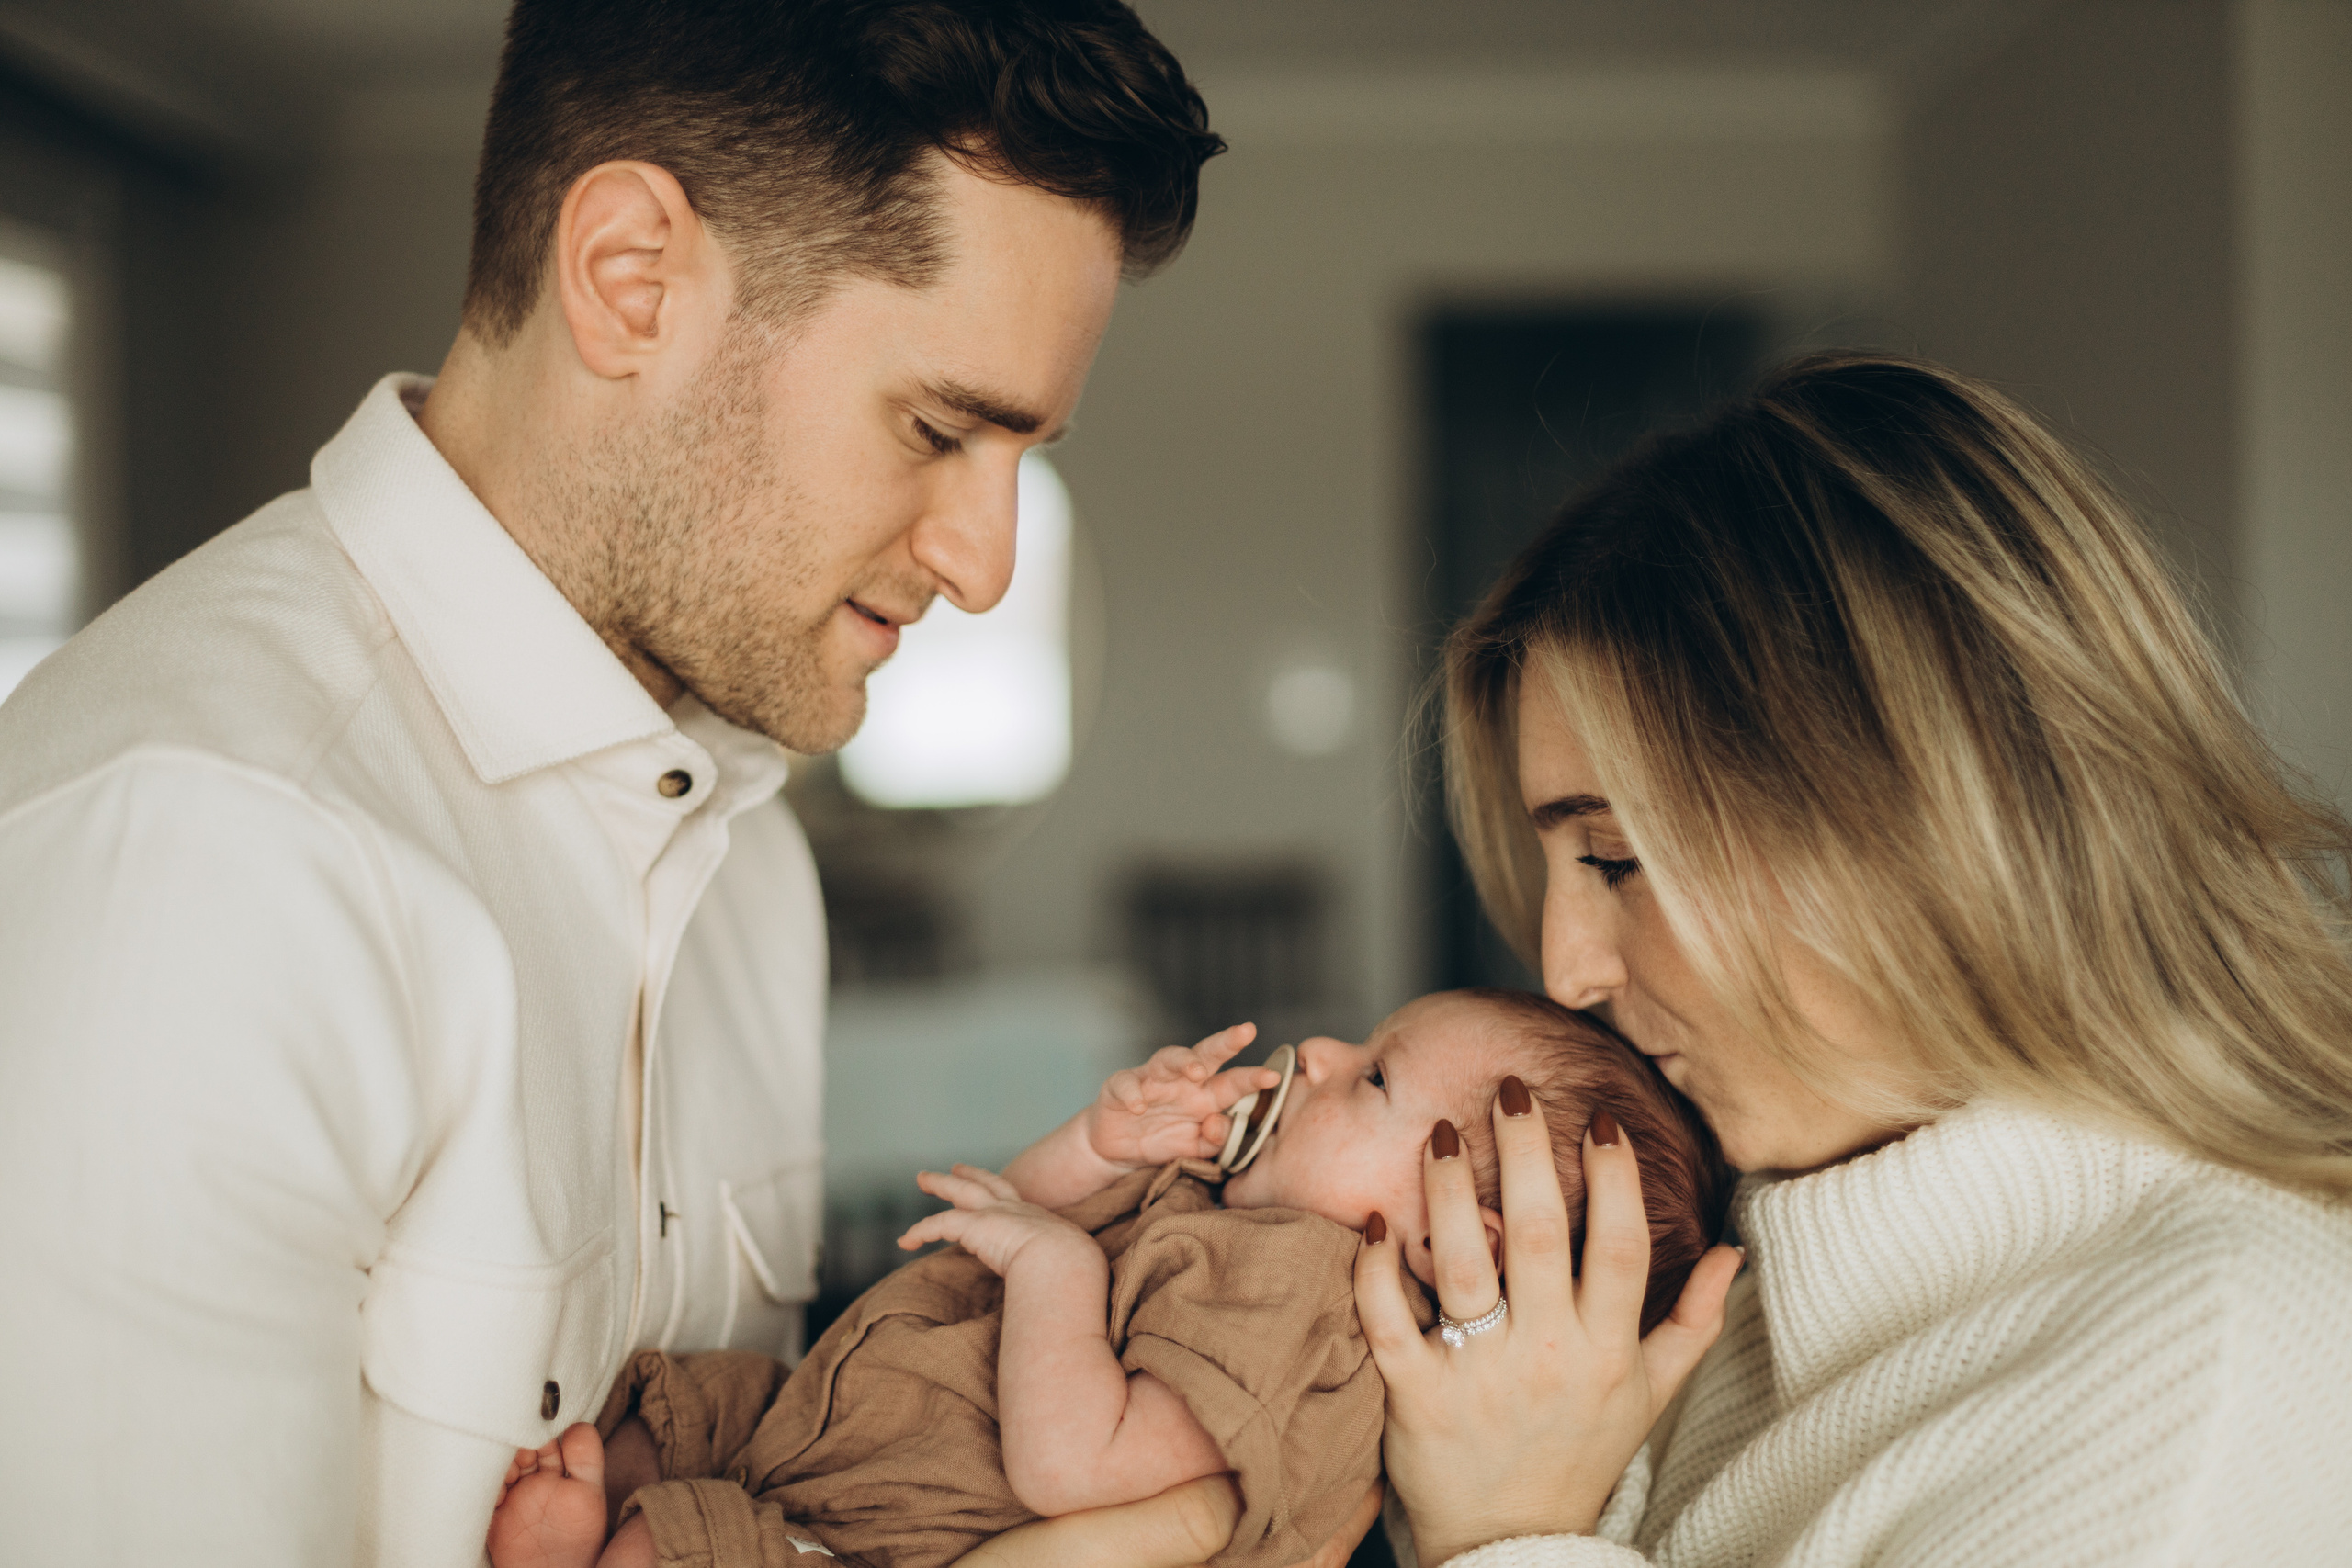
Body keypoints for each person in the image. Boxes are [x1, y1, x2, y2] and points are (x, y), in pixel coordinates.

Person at [0, 3, 1225, 1564]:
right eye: (937, 428)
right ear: (630, 280)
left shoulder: (749, 857)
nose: (984, 566)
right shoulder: (201, 861)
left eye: (1018, 458)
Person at [1354, 352, 2352, 1566]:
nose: (1566, 971)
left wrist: (1507, 1541)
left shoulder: (2205, 1394)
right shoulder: (1697, 1290)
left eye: (1615, 859)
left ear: (1914, 823)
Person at [481, 993, 1725, 1568]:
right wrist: (1099, 1147)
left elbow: (1076, 1466)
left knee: (689, 1544)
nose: (1328, 1051)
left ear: (1463, 1231)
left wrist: (1062, 1263)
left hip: (896, 1530)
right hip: (840, 1416)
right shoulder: (1242, 1213)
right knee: (673, 1417)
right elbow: (1002, 1215)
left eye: (1377, 1081)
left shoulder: (1315, 1316)